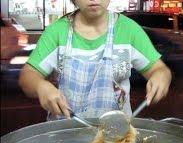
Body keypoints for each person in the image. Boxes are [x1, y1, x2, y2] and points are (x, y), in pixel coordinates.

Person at [18, 0, 172, 120]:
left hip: (117, 136)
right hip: (65, 134)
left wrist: (162, 75)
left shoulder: (129, 30)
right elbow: (28, 76)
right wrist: (40, 86)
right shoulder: (57, 32)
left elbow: (159, 69)